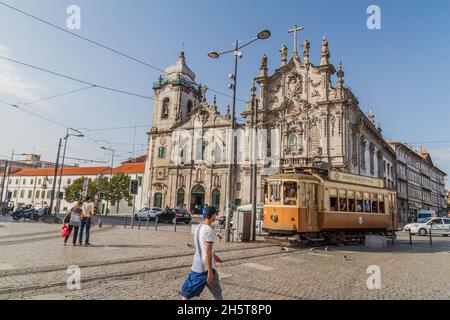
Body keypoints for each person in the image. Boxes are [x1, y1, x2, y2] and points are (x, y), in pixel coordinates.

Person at [180, 206, 223, 300]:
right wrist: (210, 272)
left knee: (188, 290)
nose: (216, 216)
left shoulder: (199, 227)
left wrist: (215, 257)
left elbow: (201, 247)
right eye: (215, 214)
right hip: (206, 267)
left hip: (196, 265)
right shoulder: (209, 230)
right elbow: (207, 251)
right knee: (217, 294)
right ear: (212, 215)